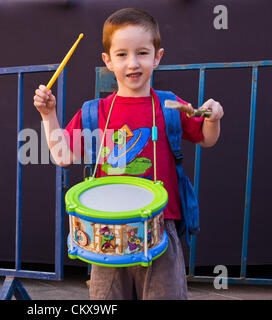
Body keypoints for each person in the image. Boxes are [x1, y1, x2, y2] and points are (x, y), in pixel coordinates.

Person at [33, 8, 223, 300]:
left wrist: (213, 119)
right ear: (108, 61)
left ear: (157, 57)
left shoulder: (170, 106)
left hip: (159, 227)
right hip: (106, 230)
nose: (132, 63)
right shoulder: (94, 112)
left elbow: (207, 139)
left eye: (142, 53)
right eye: (121, 55)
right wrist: (48, 115)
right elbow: (63, 155)